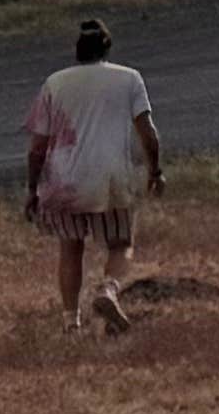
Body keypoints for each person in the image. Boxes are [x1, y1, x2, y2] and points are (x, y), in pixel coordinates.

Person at [23, 16, 164, 328]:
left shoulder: (54, 83)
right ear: (107, 47)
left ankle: (70, 321)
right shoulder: (129, 79)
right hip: (111, 177)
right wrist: (155, 170)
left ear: (76, 49)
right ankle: (109, 290)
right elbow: (148, 132)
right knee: (120, 243)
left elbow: (37, 147)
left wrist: (32, 189)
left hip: (64, 180)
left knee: (70, 248)